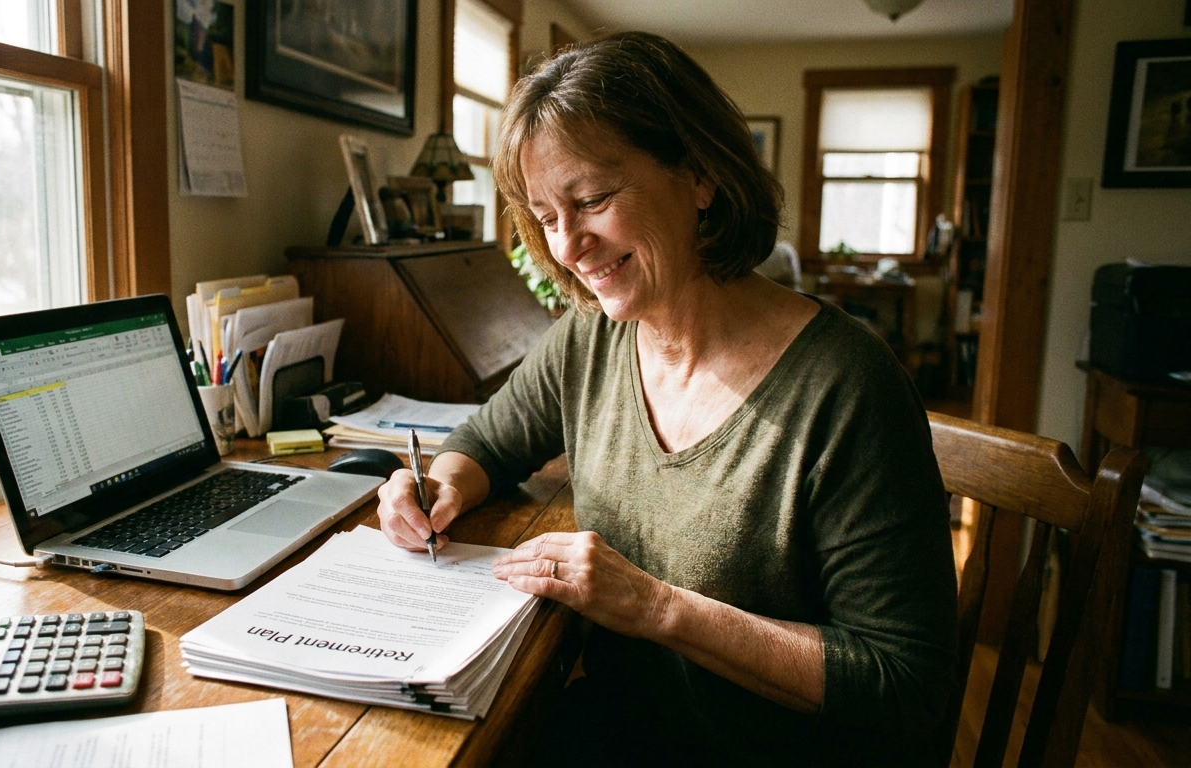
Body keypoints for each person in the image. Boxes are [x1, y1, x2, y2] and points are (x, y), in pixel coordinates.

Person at [377, 32, 957, 766]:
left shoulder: (847, 385)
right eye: (547, 218)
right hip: (627, 732)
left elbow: (902, 682)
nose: (569, 247)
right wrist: (436, 486)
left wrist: (656, 607)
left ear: (701, 175)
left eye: (592, 200)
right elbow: (488, 443)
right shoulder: (588, 342)